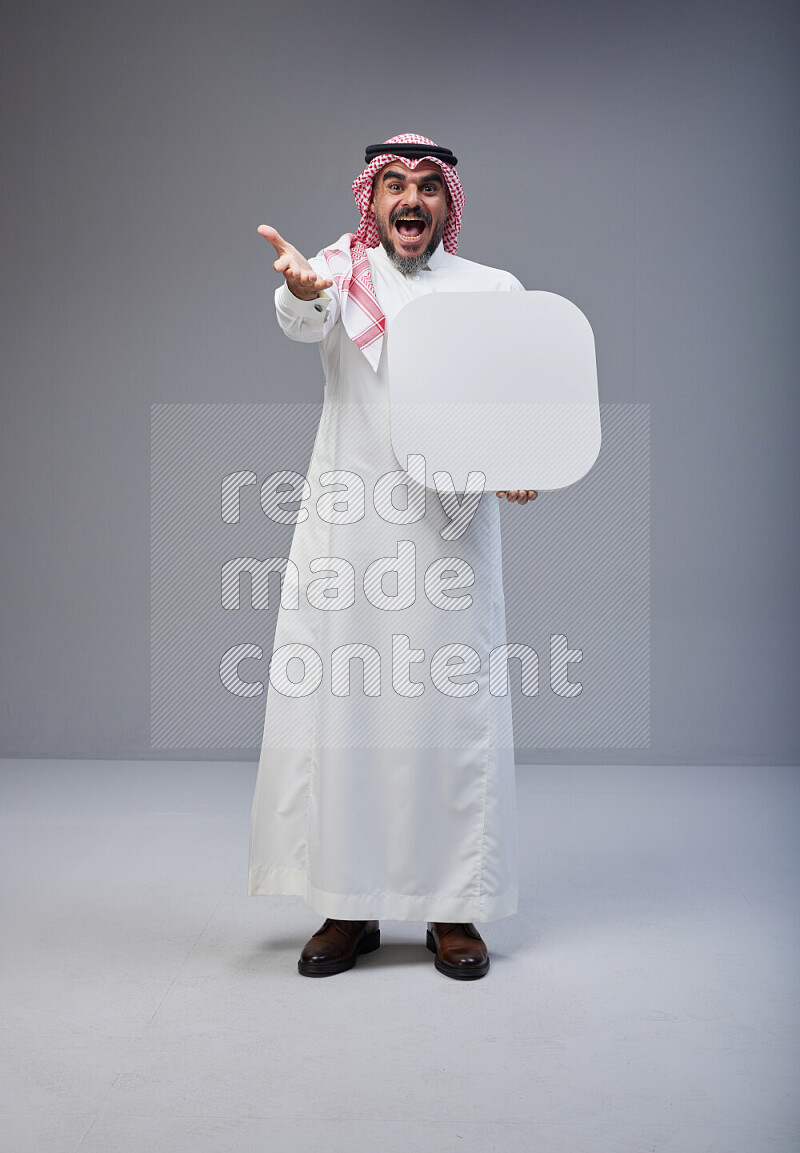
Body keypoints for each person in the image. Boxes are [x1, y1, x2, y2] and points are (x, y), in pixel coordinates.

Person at [249, 133, 537, 980]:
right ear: (371, 200)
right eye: (395, 187)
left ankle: (456, 911)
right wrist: (303, 292)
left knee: (451, 718)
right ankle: (348, 905)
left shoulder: (493, 290)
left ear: (448, 204)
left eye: (427, 188)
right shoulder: (337, 275)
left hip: (449, 540)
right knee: (349, 718)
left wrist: (524, 462)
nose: (411, 200)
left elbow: (519, 401)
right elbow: (300, 316)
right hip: (353, 537)